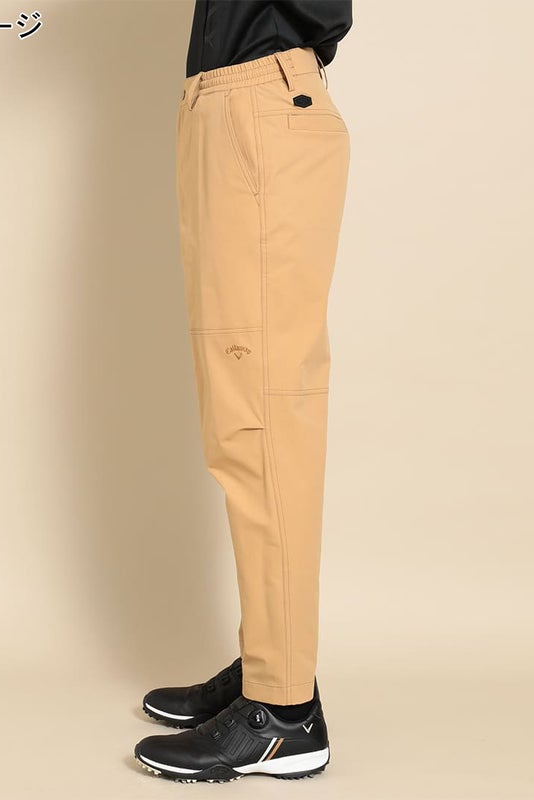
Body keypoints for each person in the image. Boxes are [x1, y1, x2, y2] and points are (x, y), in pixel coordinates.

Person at [134, 0, 353, 782]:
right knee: (242, 406)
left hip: (258, 101)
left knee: (262, 416)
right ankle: (272, 659)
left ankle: (283, 712)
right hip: (235, 103)